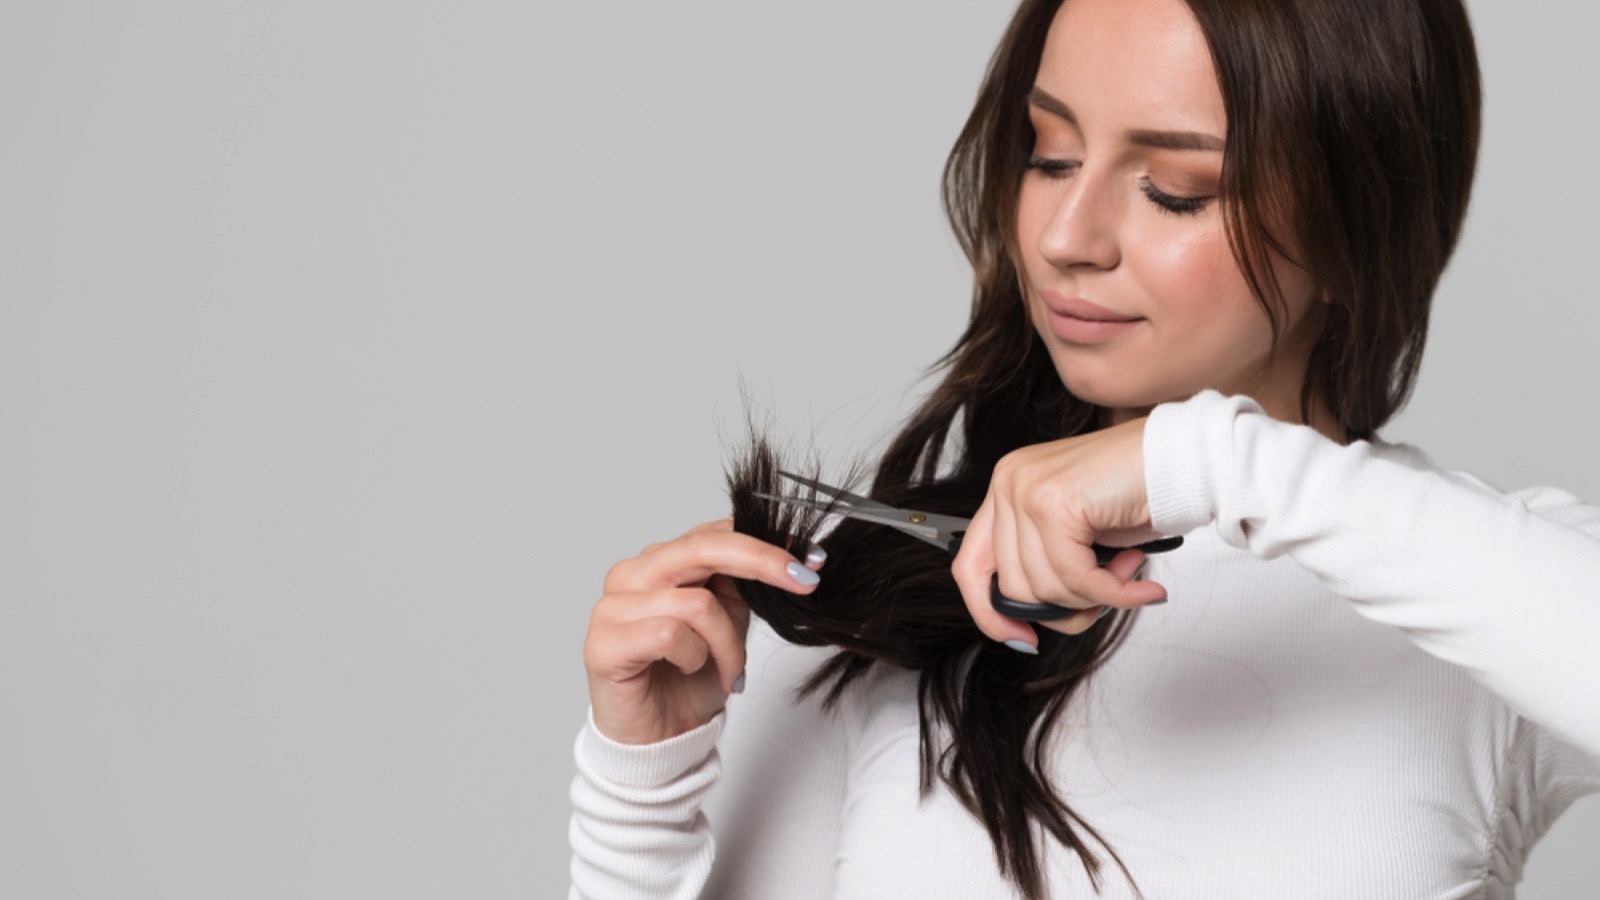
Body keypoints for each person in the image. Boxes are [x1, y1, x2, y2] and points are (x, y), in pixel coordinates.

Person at [569, 0, 1600, 896]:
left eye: (1174, 188)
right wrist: (638, 797)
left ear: (1355, 227)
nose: (1065, 236)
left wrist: (1213, 463)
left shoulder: (1478, 601)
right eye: (1049, 155)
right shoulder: (888, 601)